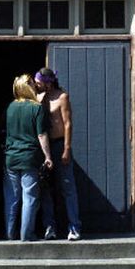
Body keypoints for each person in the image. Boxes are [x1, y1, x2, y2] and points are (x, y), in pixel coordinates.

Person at [3, 74, 53, 241]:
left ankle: (10, 233)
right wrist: (48, 156)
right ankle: (27, 235)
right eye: (32, 83)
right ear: (27, 87)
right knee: (29, 197)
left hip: (11, 158)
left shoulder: (10, 107)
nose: (35, 86)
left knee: (12, 198)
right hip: (29, 158)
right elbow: (41, 134)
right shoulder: (36, 108)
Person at [34, 67, 82, 241]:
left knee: (68, 188)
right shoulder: (39, 98)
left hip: (59, 144)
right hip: (44, 147)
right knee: (46, 187)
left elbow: (67, 123)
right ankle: (49, 227)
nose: (37, 85)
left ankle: (75, 227)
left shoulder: (62, 97)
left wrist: (67, 148)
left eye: (40, 82)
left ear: (49, 82)